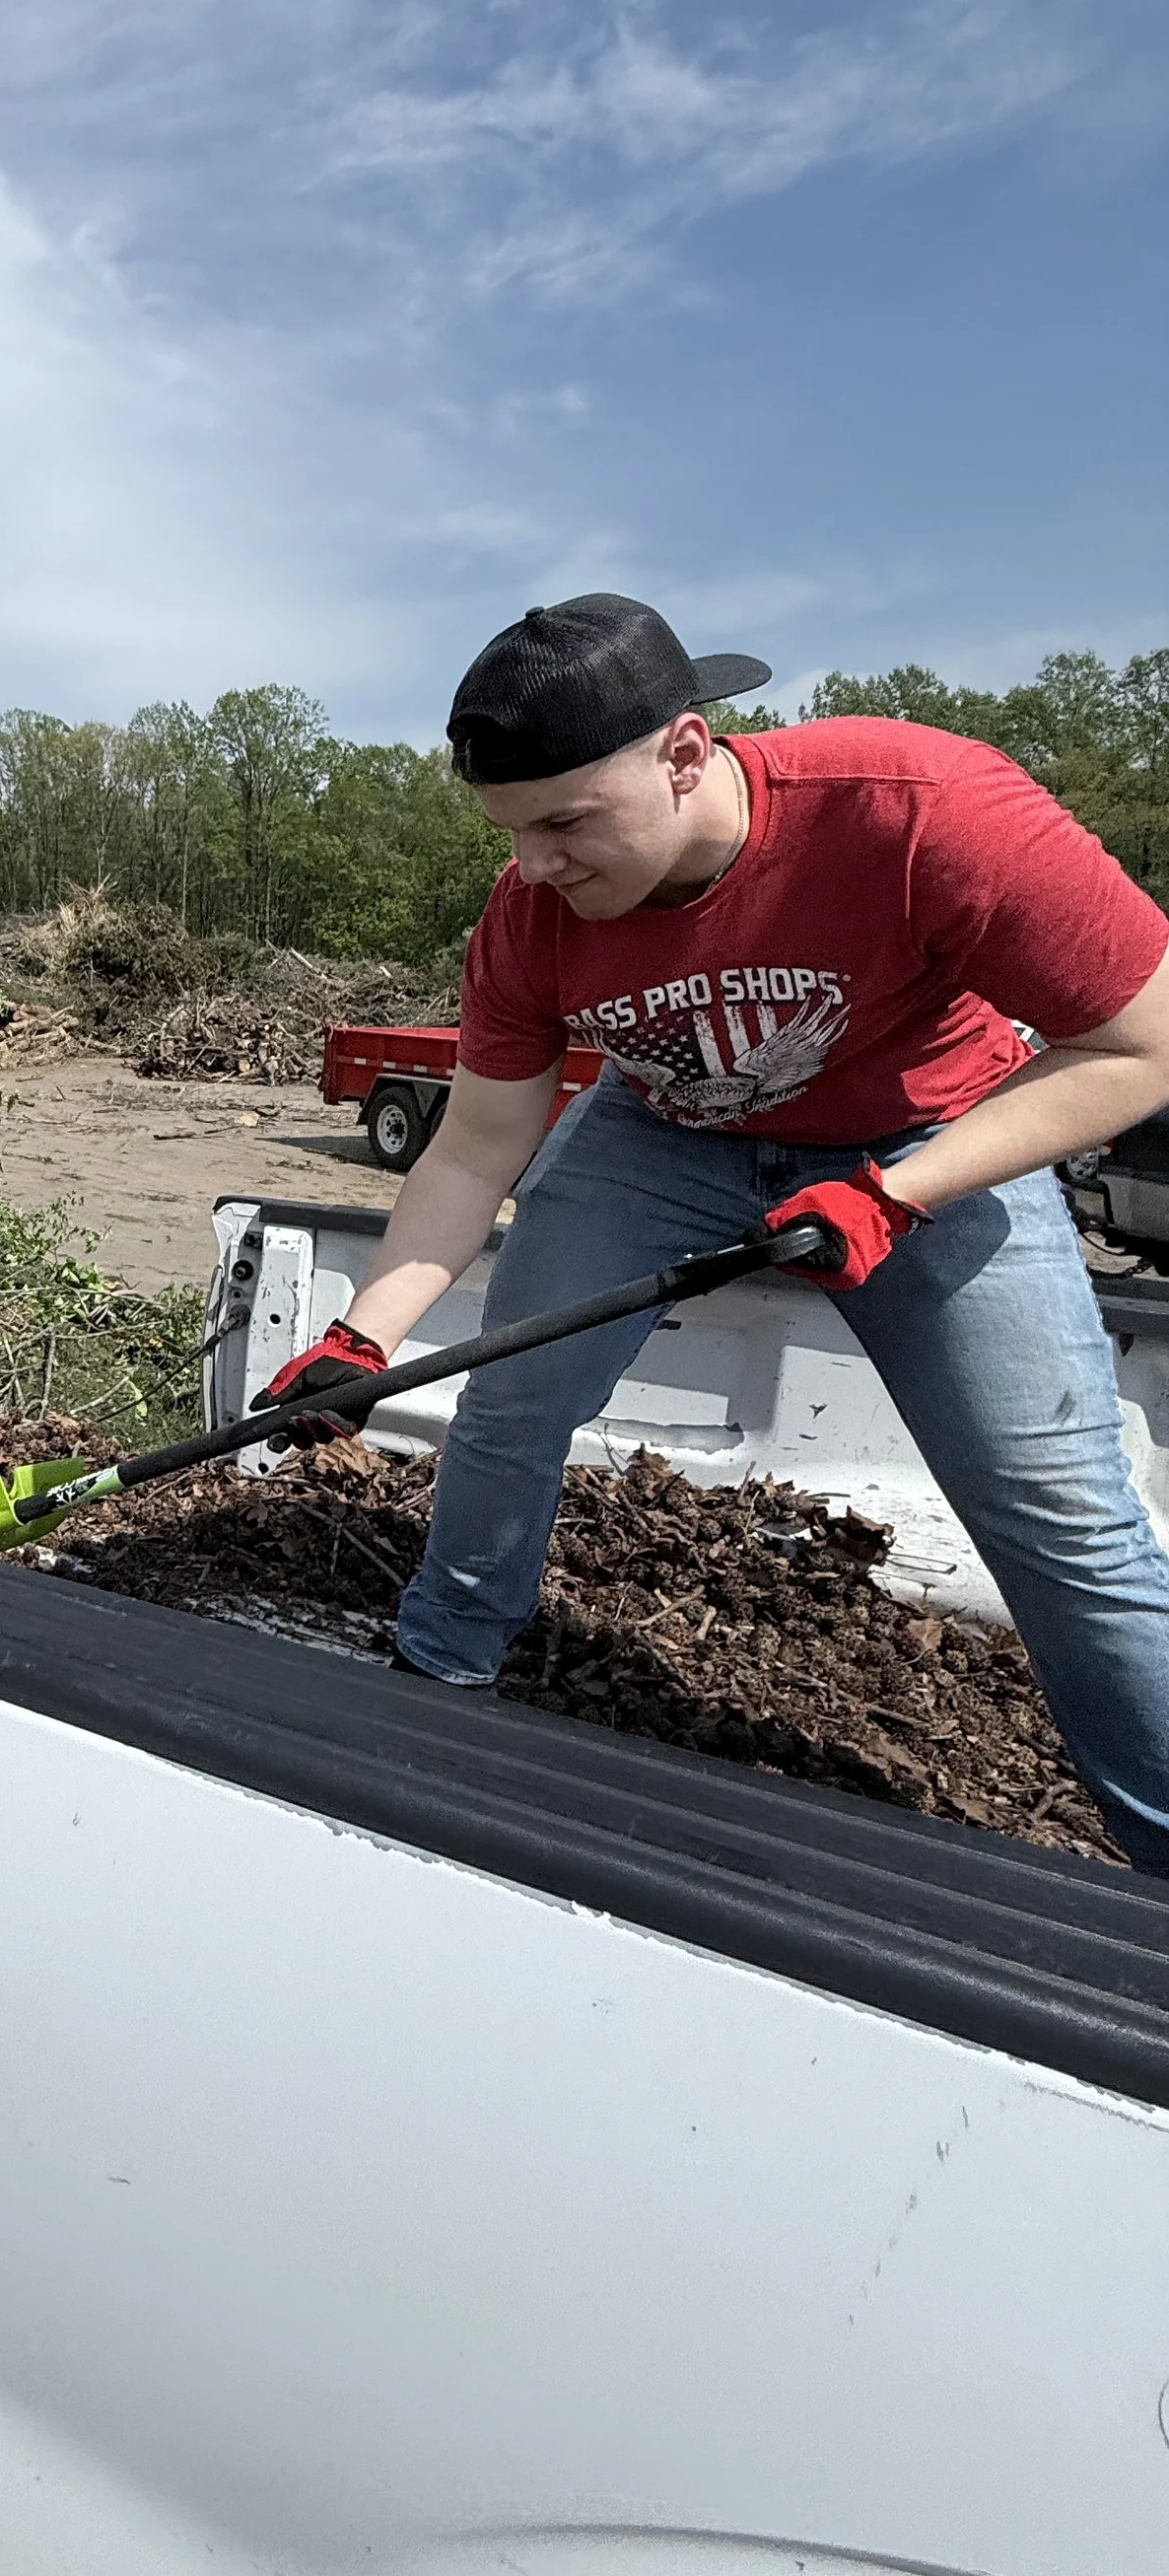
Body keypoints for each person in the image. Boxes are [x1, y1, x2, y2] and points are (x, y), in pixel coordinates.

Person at [256, 592, 1169, 1869]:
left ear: (687, 754)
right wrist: (363, 1336)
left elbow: (1141, 1045)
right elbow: (474, 1144)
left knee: (1058, 1512)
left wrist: (894, 1193)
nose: (534, 868)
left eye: (567, 822)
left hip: (930, 1136)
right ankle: (438, 1667)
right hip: (670, 1128)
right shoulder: (531, 918)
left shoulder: (913, 807)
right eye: (511, 833)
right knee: (514, 1400)